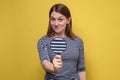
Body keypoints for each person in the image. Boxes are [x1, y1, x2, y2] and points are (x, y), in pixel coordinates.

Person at [37, 3, 86, 80]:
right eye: (53, 19)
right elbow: (45, 63)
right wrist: (54, 68)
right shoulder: (43, 41)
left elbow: (81, 69)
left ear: (68, 20)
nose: (56, 23)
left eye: (60, 19)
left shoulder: (78, 41)